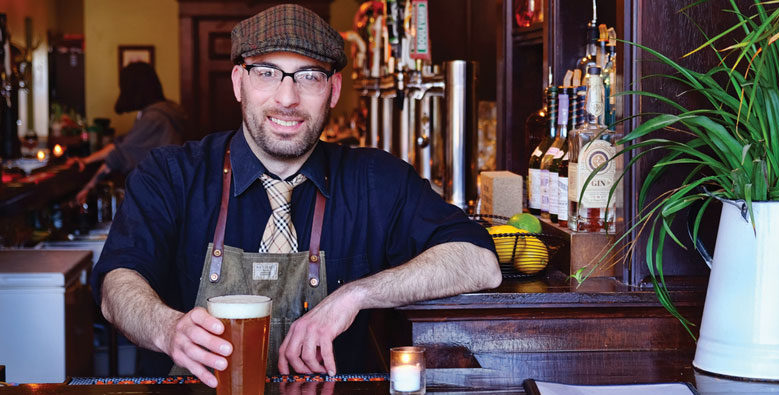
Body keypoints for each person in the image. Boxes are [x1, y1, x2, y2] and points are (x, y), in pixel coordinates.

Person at [90, 3, 501, 387]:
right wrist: (167, 328)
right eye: (266, 73)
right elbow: (117, 285)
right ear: (239, 82)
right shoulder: (171, 174)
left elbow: (480, 262)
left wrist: (356, 294)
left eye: (309, 76)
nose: (287, 99)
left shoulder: (376, 179)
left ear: (334, 90)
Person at [70, 61, 187, 204]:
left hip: (163, 195)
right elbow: (122, 143)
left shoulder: (154, 118)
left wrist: (88, 187)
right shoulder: (165, 110)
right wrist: (86, 161)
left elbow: (120, 155)